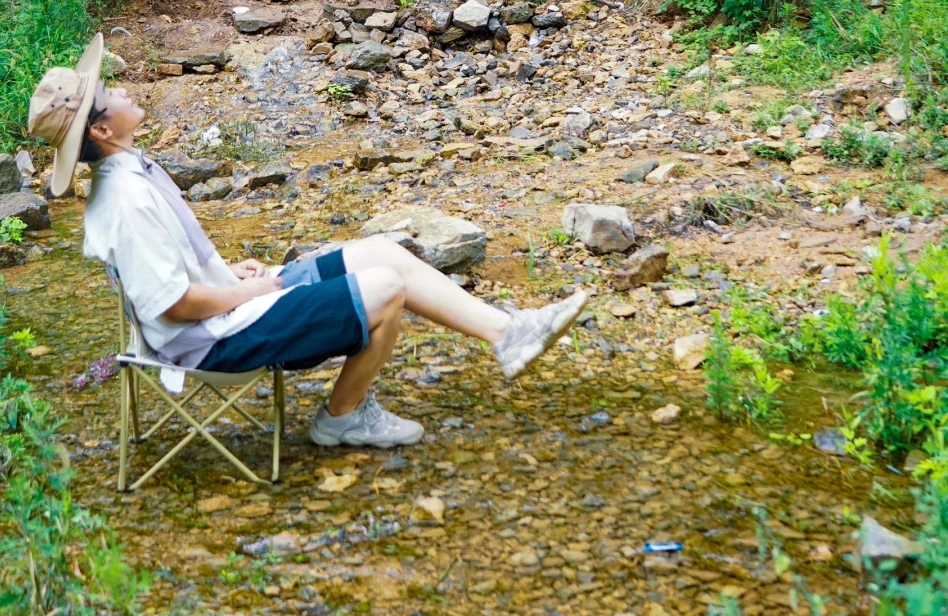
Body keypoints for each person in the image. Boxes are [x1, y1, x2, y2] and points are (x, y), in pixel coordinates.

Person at [29, 34, 589, 449]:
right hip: (213, 340)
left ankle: (507, 334)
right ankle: (342, 418)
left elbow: (174, 270)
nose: (123, 88)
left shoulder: (130, 174)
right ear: (101, 130)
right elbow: (171, 304)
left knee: (384, 252)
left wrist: (229, 273)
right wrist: (249, 293)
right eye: (110, 91)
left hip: (225, 308)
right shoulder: (125, 200)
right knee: (385, 288)